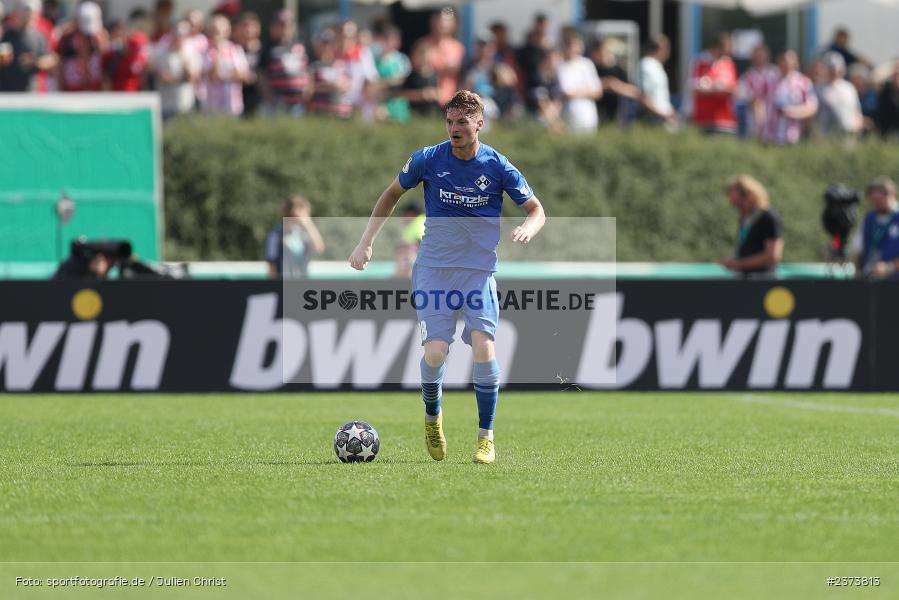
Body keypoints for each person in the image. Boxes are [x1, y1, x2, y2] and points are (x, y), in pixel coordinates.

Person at [348, 90, 545, 464]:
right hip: (434, 271)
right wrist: (366, 243)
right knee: (436, 353)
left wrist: (530, 227)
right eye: (450, 122)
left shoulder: (498, 166)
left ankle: (486, 437)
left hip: (478, 272)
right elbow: (390, 194)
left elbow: (537, 210)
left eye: (462, 122)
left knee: (485, 348)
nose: (454, 129)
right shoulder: (428, 159)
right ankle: (432, 417)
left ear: (479, 124)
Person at [719, 175, 784, 278]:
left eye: (739, 202)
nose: (736, 206)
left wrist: (739, 264)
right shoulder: (745, 218)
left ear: (749, 196)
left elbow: (772, 256)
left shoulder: (768, 217)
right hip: (745, 278)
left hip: (762, 281)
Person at [258, 9, 309, 116]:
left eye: (288, 25)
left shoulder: (299, 47)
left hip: (298, 103)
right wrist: (268, 96)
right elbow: (261, 73)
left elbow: (306, 71)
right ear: (273, 26)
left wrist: (308, 91)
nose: (285, 28)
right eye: (281, 25)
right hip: (277, 103)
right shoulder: (267, 48)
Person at [0, 0, 56, 92]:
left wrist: (36, 62)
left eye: (32, 13)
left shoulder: (39, 36)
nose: (29, 16)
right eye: (26, 12)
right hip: (6, 93)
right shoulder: (5, 35)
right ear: (17, 13)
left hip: (30, 93)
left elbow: (51, 60)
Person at [265, 196, 325, 279]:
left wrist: (308, 225)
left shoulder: (303, 234)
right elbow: (272, 264)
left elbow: (319, 248)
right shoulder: (276, 234)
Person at [556, 29, 602, 133]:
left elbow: (597, 92)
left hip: (588, 117)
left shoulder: (587, 64)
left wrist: (575, 92)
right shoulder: (560, 65)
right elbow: (565, 92)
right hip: (568, 117)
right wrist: (586, 90)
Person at [853, 177, 899, 280]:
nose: (876, 203)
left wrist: (889, 268)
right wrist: (857, 273)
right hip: (871, 279)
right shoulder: (869, 218)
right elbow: (858, 250)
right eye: (873, 200)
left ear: (892, 195)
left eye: (880, 199)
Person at [690, 33, 737, 134]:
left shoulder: (728, 63)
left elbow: (733, 89)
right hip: (704, 120)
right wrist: (717, 89)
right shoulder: (700, 62)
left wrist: (712, 88)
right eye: (725, 49)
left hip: (726, 120)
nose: (727, 53)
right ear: (715, 47)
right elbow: (694, 88)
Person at [771, 50, 817, 145]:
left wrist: (792, 112)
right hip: (771, 136)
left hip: (793, 136)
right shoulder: (769, 80)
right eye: (783, 61)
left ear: (796, 64)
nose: (787, 65)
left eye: (790, 62)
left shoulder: (804, 82)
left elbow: (812, 108)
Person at [815, 51, 862, 136]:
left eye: (836, 69)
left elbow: (856, 111)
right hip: (826, 138)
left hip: (848, 136)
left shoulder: (849, 88)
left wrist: (857, 128)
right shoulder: (817, 89)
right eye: (830, 69)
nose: (834, 72)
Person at [740, 44, 780, 141]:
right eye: (757, 56)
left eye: (762, 56)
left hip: (775, 116)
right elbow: (744, 96)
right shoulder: (747, 76)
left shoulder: (776, 73)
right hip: (754, 118)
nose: (760, 58)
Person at [638, 33, 677, 128]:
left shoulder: (656, 65)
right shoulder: (646, 65)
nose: (668, 52)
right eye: (666, 48)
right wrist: (662, 114)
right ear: (660, 49)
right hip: (654, 119)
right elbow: (643, 96)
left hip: (663, 118)